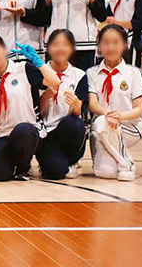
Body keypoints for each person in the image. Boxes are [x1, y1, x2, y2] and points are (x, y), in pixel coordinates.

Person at [0, 36, 60, 181]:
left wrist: (38, 61)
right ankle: (13, 161)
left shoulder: (23, 68)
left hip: (30, 132)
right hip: (4, 134)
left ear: (4, 49)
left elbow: (55, 82)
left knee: (24, 131)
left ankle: (24, 167)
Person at [87, 24, 142, 181]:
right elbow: (93, 105)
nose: (110, 47)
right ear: (99, 45)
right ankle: (120, 160)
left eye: (115, 42)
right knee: (105, 173)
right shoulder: (92, 73)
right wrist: (108, 115)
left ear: (124, 45)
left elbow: (140, 108)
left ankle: (127, 164)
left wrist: (120, 116)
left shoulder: (134, 73)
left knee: (104, 123)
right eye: (106, 42)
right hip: (102, 128)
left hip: (129, 128)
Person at [36, 29, 88, 180]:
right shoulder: (38, 73)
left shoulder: (79, 75)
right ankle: (49, 161)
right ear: (48, 47)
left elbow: (79, 113)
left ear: (72, 48)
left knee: (75, 124)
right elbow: (34, 111)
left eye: (65, 44)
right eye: (56, 44)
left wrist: (76, 105)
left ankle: (72, 160)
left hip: (66, 130)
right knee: (55, 172)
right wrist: (45, 96)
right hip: (45, 132)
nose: (60, 48)